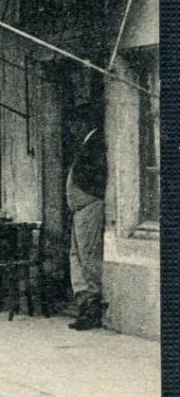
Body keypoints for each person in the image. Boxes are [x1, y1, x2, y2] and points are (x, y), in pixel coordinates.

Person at [66, 115, 108, 331]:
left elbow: (99, 175)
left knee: (89, 257)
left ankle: (93, 310)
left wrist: (88, 196)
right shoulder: (86, 143)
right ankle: (84, 306)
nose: (72, 128)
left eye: (75, 123)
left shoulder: (96, 142)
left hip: (89, 208)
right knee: (77, 257)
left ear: (85, 122)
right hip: (79, 211)